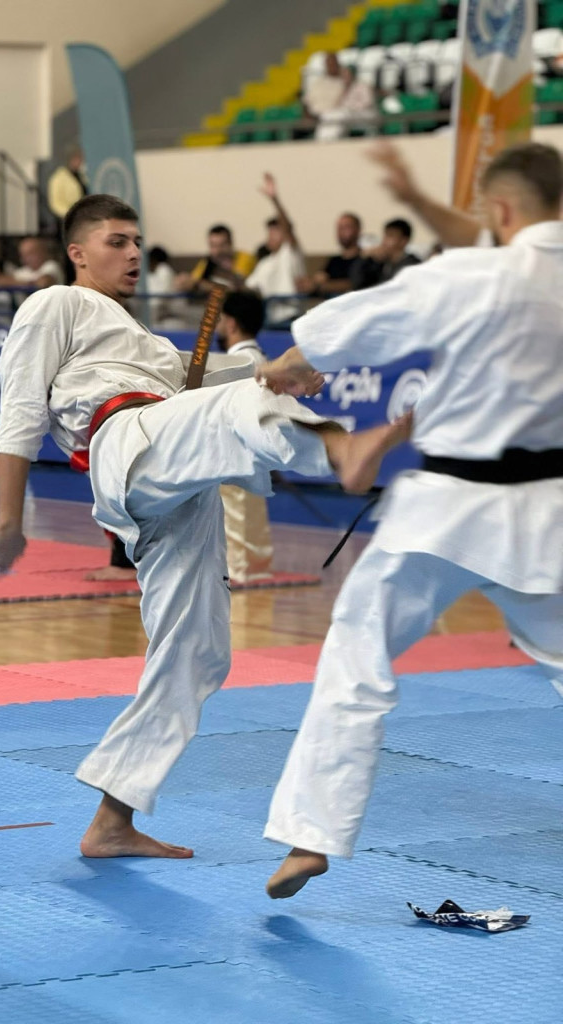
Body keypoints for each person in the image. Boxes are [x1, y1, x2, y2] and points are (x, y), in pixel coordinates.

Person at [0, 193, 409, 860]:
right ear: (77, 252)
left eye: (135, 241)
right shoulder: (54, 304)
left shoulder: (142, 340)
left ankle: (112, 819)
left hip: (173, 471)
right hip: (126, 441)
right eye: (117, 241)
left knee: (197, 650)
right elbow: (21, 409)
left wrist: (279, 371)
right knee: (240, 404)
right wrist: (10, 518)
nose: (132, 253)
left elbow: (204, 378)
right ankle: (336, 448)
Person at [255, 142, 563, 899]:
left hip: (446, 511)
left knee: (357, 654)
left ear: (500, 209)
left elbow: (354, 324)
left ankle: (310, 836)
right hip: (549, 512)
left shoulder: (474, 274)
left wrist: (293, 360)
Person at [216, 290, 274, 582]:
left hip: (236, 446)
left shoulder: (237, 360)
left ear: (231, 323)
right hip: (255, 448)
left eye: (221, 319)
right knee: (250, 506)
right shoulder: (258, 356)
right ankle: (253, 563)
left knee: (237, 507)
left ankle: (239, 566)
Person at [245, 174, 306, 328]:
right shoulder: (264, 263)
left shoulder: (290, 253)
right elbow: (250, 287)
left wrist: (274, 200)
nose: (271, 236)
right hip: (269, 321)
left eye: (276, 232)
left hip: (291, 320)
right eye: (269, 232)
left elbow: (288, 228)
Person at [176, 225, 256, 295]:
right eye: (213, 246)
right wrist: (185, 282)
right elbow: (194, 280)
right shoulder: (208, 262)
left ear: (231, 243)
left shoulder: (244, 258)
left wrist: (204, 285)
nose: (217, 251)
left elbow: (236, 288)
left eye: (221, 245)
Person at [303, 213, 364, 298]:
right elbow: (319, 278)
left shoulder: (365, 260)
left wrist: (323, 286)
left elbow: (355, 284)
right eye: (339, 228)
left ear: (358, 230)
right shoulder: (334, 261)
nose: (342, 232)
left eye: (347, 227)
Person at [353, 218, 421, 289]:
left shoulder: (412, 265)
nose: (384, 241)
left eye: (390, 236)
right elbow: (357, 283)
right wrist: (364, 258)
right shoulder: (380, 263)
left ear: (404, 241)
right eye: (385, 235)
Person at [48, 144, 88, 224]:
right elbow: (55, 203)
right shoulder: (58, 178)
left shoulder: (81, 176)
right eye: (78, 158)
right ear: (70, 159)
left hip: (82, 218)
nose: (80, 161)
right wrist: (71, 213)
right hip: (66, 220)